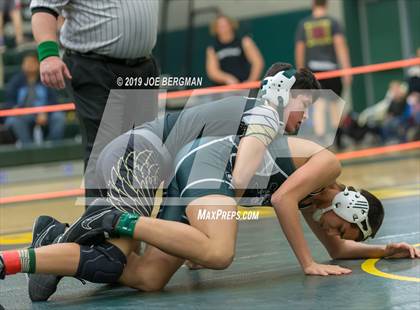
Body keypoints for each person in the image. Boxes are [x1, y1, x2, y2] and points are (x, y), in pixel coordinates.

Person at [4, 62, 320, 301]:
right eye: (303, 106)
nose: (304, 117)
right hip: (141, 154)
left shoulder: (252, 115)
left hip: (155, 163)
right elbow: (235, 183)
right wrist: (211, 232)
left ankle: (56, 239)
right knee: (111, 260)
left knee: (151, 278)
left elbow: (210, 182)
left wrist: (197, 241)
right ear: (284, 95)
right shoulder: (265, 116)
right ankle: (52, 239)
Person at [1, 134, 419, 299]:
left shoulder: (317, 202)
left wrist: (387, 249)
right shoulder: (327, 166)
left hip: (206, 181)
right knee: (220, 253)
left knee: (148, 278)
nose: (332, 231)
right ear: (346, 207)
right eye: (341, 224)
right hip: (211, 164)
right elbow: (280, 202)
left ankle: (44, 245)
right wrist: (307, 263)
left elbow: (339, 248)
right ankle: (115, 219)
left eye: (340, 230)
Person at [30, 0, 160, 204]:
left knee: (141, 148)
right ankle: (99, 229)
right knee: (105, 150)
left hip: (142, 65)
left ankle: (133, 224)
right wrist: (48, 55)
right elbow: (44, 7)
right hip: (95, 66)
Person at [295, 0, 352, 149]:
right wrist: (346, 69)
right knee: (334, 105)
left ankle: (321, 140)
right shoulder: (333, 22)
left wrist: (301, 72)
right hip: (332, 69)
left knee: (319, 105)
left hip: (314, 71)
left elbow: (300, 49)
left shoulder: (304, 24)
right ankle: (338, 138)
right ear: (326, 4)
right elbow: (340, 47)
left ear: (313, 4)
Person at [4, 52, 65, 145]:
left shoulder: (46, 78)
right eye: (27, 63)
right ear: (22, 65)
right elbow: (9, 101)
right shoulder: (15, 81)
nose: (29, 65)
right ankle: (28, 148)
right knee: (13, 121)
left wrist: (45, 112)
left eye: (32, 62)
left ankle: (53, 147)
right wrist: (15, 109)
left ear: (38, 64)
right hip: (23, 114)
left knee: (59, 117)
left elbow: (53, 101)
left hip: (44, 113)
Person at [206, 14, 264, 85]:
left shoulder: (244, 41)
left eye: (225, 25)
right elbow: (212, 72)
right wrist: (227, 78)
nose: (224, 29)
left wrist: (250, 82)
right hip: (224, 89)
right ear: (216, 29)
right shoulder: (212, 48)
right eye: (220, 26)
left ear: (231, 25)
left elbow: (257, 63)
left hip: (244, 86)